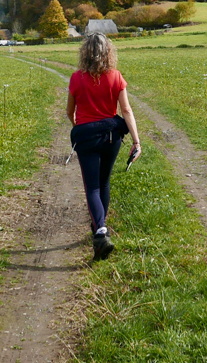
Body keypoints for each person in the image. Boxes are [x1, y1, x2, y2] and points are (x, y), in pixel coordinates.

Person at [67, 33, 141, 260]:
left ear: (85, 52)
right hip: (111, 137)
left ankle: (100, 230)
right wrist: (137, 142)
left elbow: (70, 111)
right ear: (108, 52)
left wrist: (79, 128)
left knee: (92, 187)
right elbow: (126, 111)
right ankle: (100, 228)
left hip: (87, 139)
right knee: (104, 182)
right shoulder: (116, 77)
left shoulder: (76, 78)